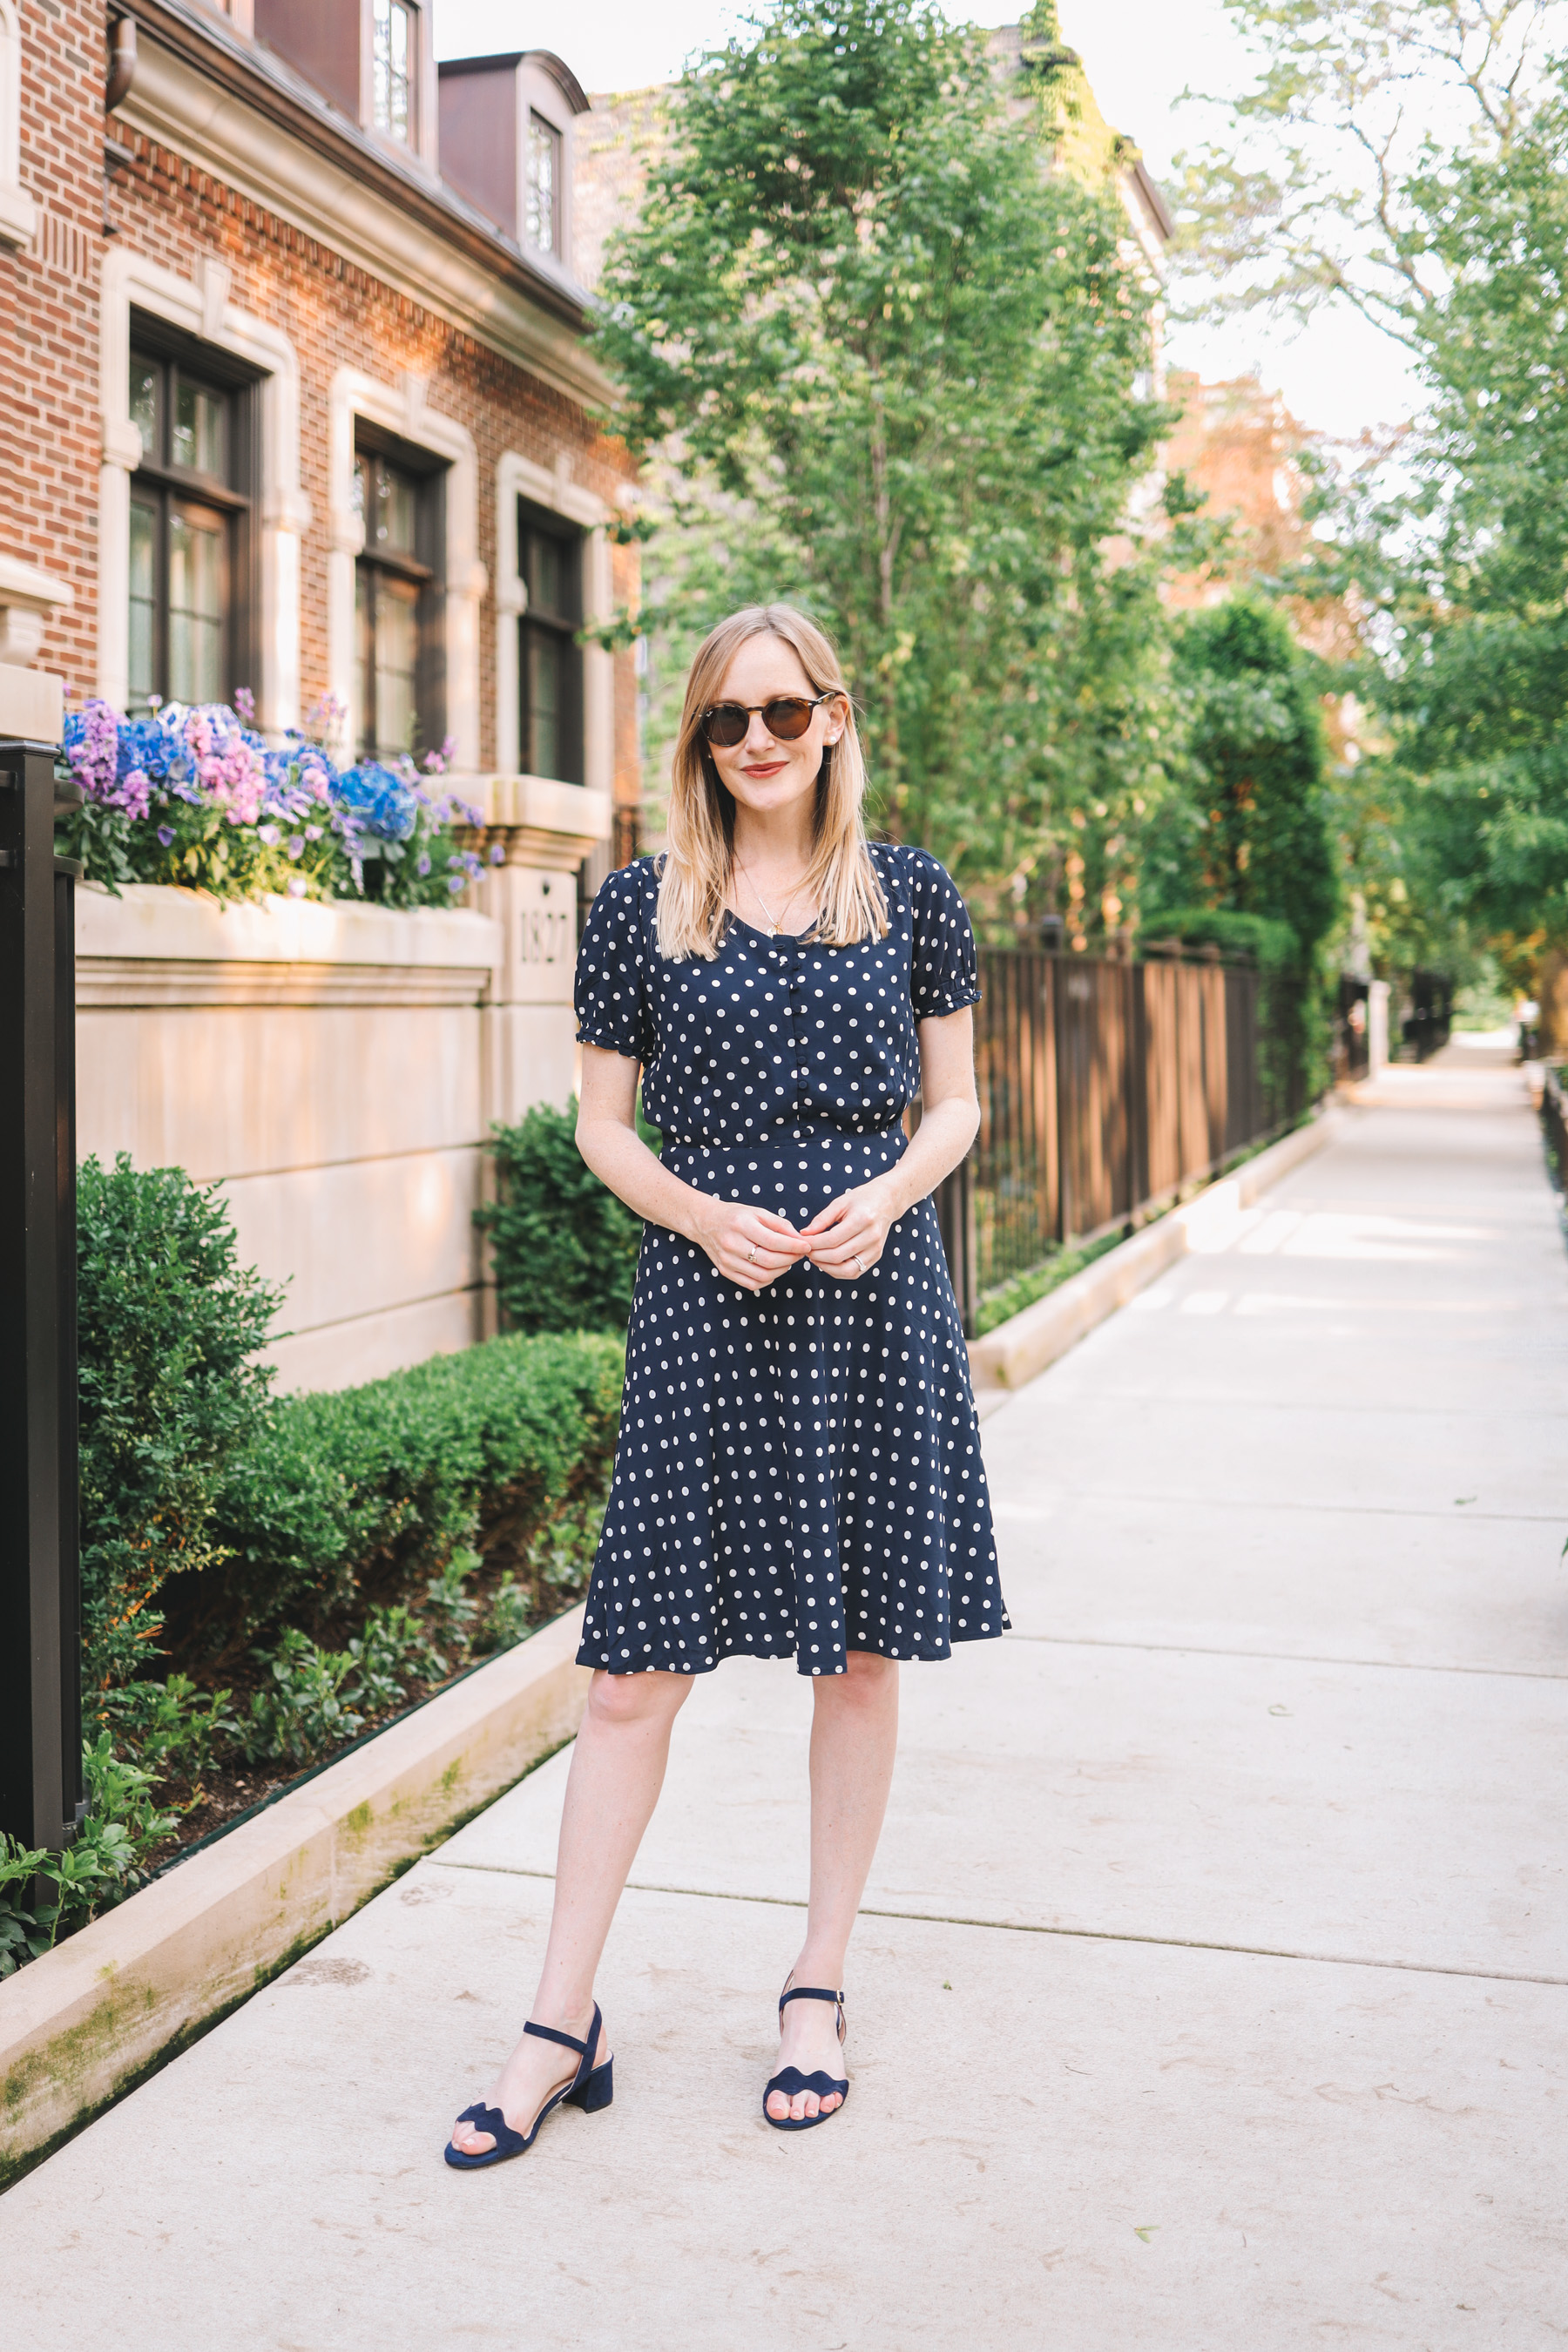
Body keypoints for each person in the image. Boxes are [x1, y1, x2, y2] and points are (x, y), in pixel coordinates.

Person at [446, 603, 1006, 2166]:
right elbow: (603, 1132)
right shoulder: (641, 909)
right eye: (723, 721)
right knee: (632, 1677)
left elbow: (955, 1106)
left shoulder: (911, 898)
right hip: (708, 1299)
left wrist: (887, 1198)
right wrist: (700, 1214)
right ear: (700, 741)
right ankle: (562, 2020)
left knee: (861, 1657)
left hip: (867, 1293)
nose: (753, 740)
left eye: (781, 711)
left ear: (833, 717)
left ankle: (816, 1984)